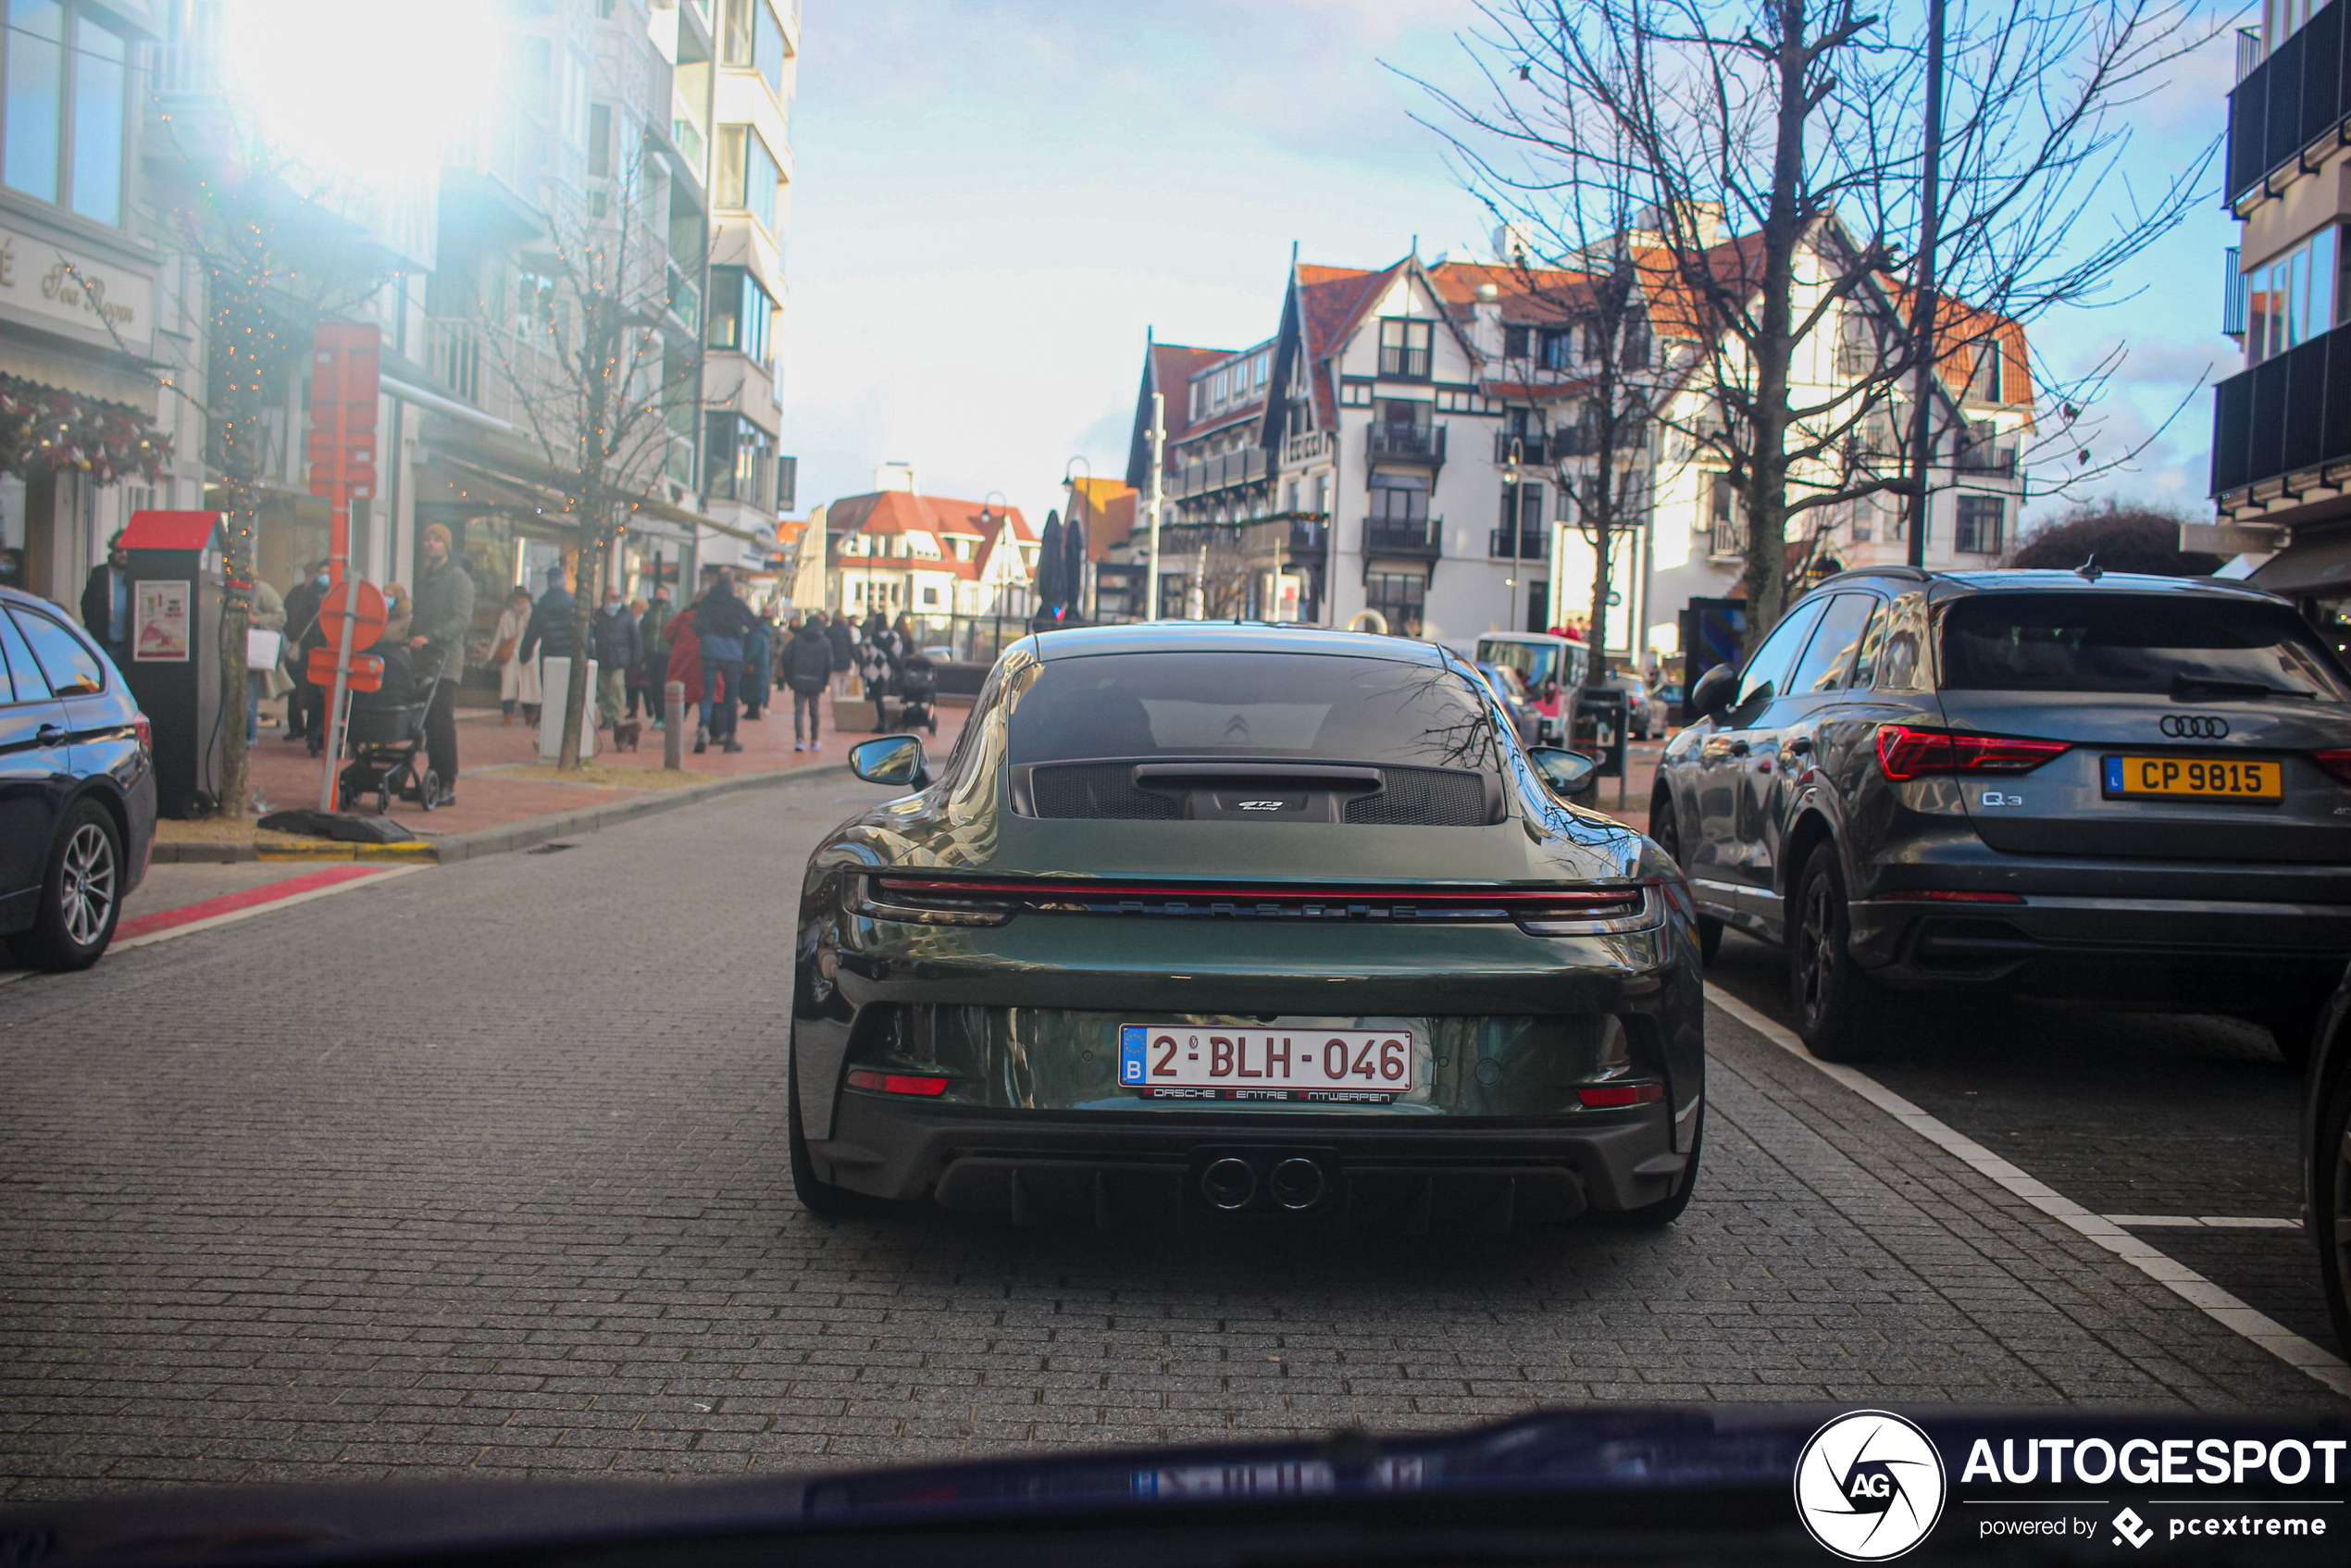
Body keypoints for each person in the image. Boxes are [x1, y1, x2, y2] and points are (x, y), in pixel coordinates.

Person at [410, 523, 476, 808]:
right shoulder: (425, 579)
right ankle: (431, 780)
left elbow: (461, 620)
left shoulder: (458, 579)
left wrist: (433, 637)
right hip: (422, 659)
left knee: (440, 722)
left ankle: (447, 781)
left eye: (437, 539)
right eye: (427, 538)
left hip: (444, 660)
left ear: (446, 545)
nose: (431, 543)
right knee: (423, 722)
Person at [689, 569, 754, 754]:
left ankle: (703, 729)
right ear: (731, 582)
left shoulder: (706, 602)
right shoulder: (736, 603)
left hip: (710, 650)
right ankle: (730, 737)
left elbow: (697, 627)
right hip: (732, 653)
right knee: (730, 697)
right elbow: (753, 624)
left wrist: (709, 636)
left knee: (708, 694)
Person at [242, 572, 287, 744]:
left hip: (250, 652)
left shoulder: (260, 589)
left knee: (248, 699)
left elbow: (281, 616)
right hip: (234, 651)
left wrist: (257, 619)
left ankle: (248, 739)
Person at [782, 612, 839, 753]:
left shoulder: (797, 640)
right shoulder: (825, 642)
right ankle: (814, 740)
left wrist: (790, 678)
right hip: (816, 681)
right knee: (814, 711)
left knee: (799, 711)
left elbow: (785, 657)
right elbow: (829, 663)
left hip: (799, 679)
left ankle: (799, 739)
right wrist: (825, 682)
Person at [79, 530, 133, 666]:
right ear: (112, 551)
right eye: (119, 550)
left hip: (129, 645)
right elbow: (86, 603)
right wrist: (92, 627)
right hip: (106, 643)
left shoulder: (137, 575)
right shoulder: (99, 574)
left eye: (128, 550)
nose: (124, 554)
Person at [591, 585, 638, 730]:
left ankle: (617, 717)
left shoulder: (626, 614)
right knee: (604, 689)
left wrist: (636, 657)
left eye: (618, 597)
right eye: (612, 597)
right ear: (604, 598)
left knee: (617, 687)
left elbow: (635, 636)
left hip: (620, 656)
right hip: (603, 656)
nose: (616, 600)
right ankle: (607, 718)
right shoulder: (598, 615)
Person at [491, 587, 539, 725]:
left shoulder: (533, 614)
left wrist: (533, 653)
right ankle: (507, 716)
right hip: (509, 654)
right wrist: (492, 655)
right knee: (508, 686)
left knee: (529, 686)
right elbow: (499, 635)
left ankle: (530, 716)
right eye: (518, 597)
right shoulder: (507, 614)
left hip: (528, 653)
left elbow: (537, 636)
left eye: (523, 597)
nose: (521, 600)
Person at [856, 611, 902, 733]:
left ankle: (881, 722)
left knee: (877, 698)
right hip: (889, 671)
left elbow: (865, 654)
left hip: (874, 672)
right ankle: (892, 723)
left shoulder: (871, 638)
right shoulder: (894, 636)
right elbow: (898, 652)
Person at [636, 587, 673, 726]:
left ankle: (668, 715)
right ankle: (659, 716)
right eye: (658, 594)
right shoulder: (649, 613)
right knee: (655, 686)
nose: (660, 596)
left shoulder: (672, 613)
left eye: (663, 594)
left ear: (668, 597)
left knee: (666, 685)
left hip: (667, 653)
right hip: (651, 653)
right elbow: (642, 632)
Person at [740, 605, 774, 722]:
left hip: (755, 666)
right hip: (761, 666)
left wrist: (744, 660)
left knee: (753, 687)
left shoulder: (755, 634)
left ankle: (753, 711)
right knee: (758, 688)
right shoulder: (762, 633)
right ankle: (753, 710)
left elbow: (752, 651)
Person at [826, 609, 855, 701]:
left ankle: (835, 702)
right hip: (845, 661)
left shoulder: (828, 630)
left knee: (834, 686)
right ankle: (843, 701)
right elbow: (851, 646)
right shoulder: (847, 630)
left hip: (833, 662)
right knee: (844, 684)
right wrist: (857, 659)